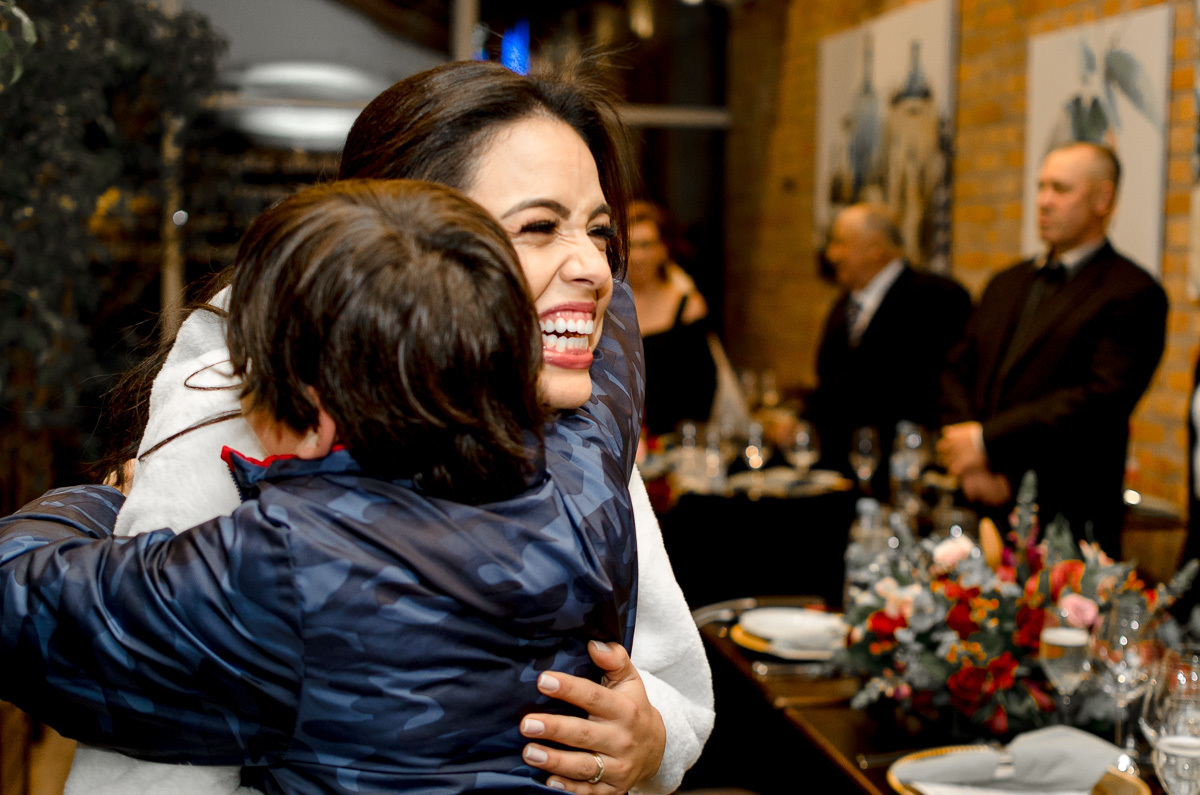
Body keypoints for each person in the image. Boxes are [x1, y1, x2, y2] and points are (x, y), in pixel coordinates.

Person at [77, 60, 712, 794]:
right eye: (539, 226)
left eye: (599, 231)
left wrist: (648, 734)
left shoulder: (574, 420)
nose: (597, 268)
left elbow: (668, 676)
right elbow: (151, 752)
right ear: (404, 238)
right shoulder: (260, 402)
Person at [0, 178, 644, 792]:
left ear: (306, 406)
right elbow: (613, 344)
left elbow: (18, 601)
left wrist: (105, 499)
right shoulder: (581, 490)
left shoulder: (282, 573)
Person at [938, 141, 1167, 554]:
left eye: (1061, 190)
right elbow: (956, 368)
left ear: (1103, 199)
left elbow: (1099, 402)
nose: (1043, 202)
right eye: (1041, 187)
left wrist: (988, 443)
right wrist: (970, 458)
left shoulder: (1133, 292)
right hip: (974, 502)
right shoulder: (1006, 283)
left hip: (1067, 515)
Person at [805, 202, 971, 494]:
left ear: (875, 248)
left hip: (903, 483)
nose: (832, 255)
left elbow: (944, 392)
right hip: (839, 481)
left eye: (840, 243)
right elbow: (830, 386)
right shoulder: (841, 307)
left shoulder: (938, 299)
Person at [626, 200, 718, 436]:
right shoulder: (606, 304)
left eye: (646, 245)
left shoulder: (688, 305)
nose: (637, 255)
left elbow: (704, 385)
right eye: (631, 245)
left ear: (663, 249)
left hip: (673, 439)